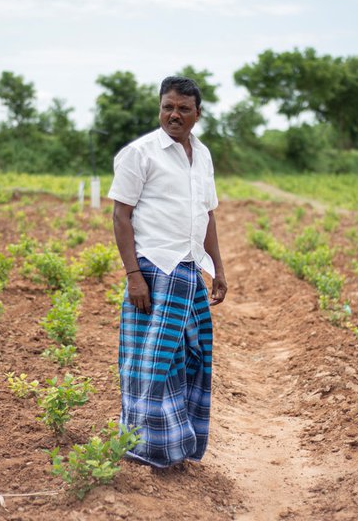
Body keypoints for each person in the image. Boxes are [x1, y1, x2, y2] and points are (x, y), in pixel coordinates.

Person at [108, 75, 227, 468]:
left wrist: (219, 270)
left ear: (198, 113)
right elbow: (120, 215)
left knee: (193, 359)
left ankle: (179, 447)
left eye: (182, 108)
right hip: (154, 270)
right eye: (167, 107)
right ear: (160, 108)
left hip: (190, 270)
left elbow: (207, 215)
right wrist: (133, 276)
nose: (173, 115)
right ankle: (145, 450)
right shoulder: (139, 153)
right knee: (151, 364)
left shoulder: (203, 155)